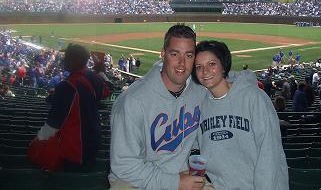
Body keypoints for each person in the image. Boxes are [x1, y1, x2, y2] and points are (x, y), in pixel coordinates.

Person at [109, 24, 207, 190]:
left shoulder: (200, 92)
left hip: (184, 175)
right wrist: (174, 183)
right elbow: (124, 165)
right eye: (174, 54)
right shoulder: (132, 101)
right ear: (163, 54)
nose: (181, 63)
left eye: (189, 55)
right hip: (135, 181)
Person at [192, 40, 288, 189]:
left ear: (223, 66)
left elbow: (269, 155)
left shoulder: (254, 98)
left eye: (212, 64)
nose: (205, 72)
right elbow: (196, 149)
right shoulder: (200, 106)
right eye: (199, 67)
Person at [28, 44, 112, 171]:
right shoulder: (94, 77)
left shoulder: (66, 87)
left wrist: (36, 143)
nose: (63, 59)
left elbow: (53, 124)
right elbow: (108, 89)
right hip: (94, 141)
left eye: (67, 57)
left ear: (74, 61)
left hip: (75, 148)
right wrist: (101, 71)